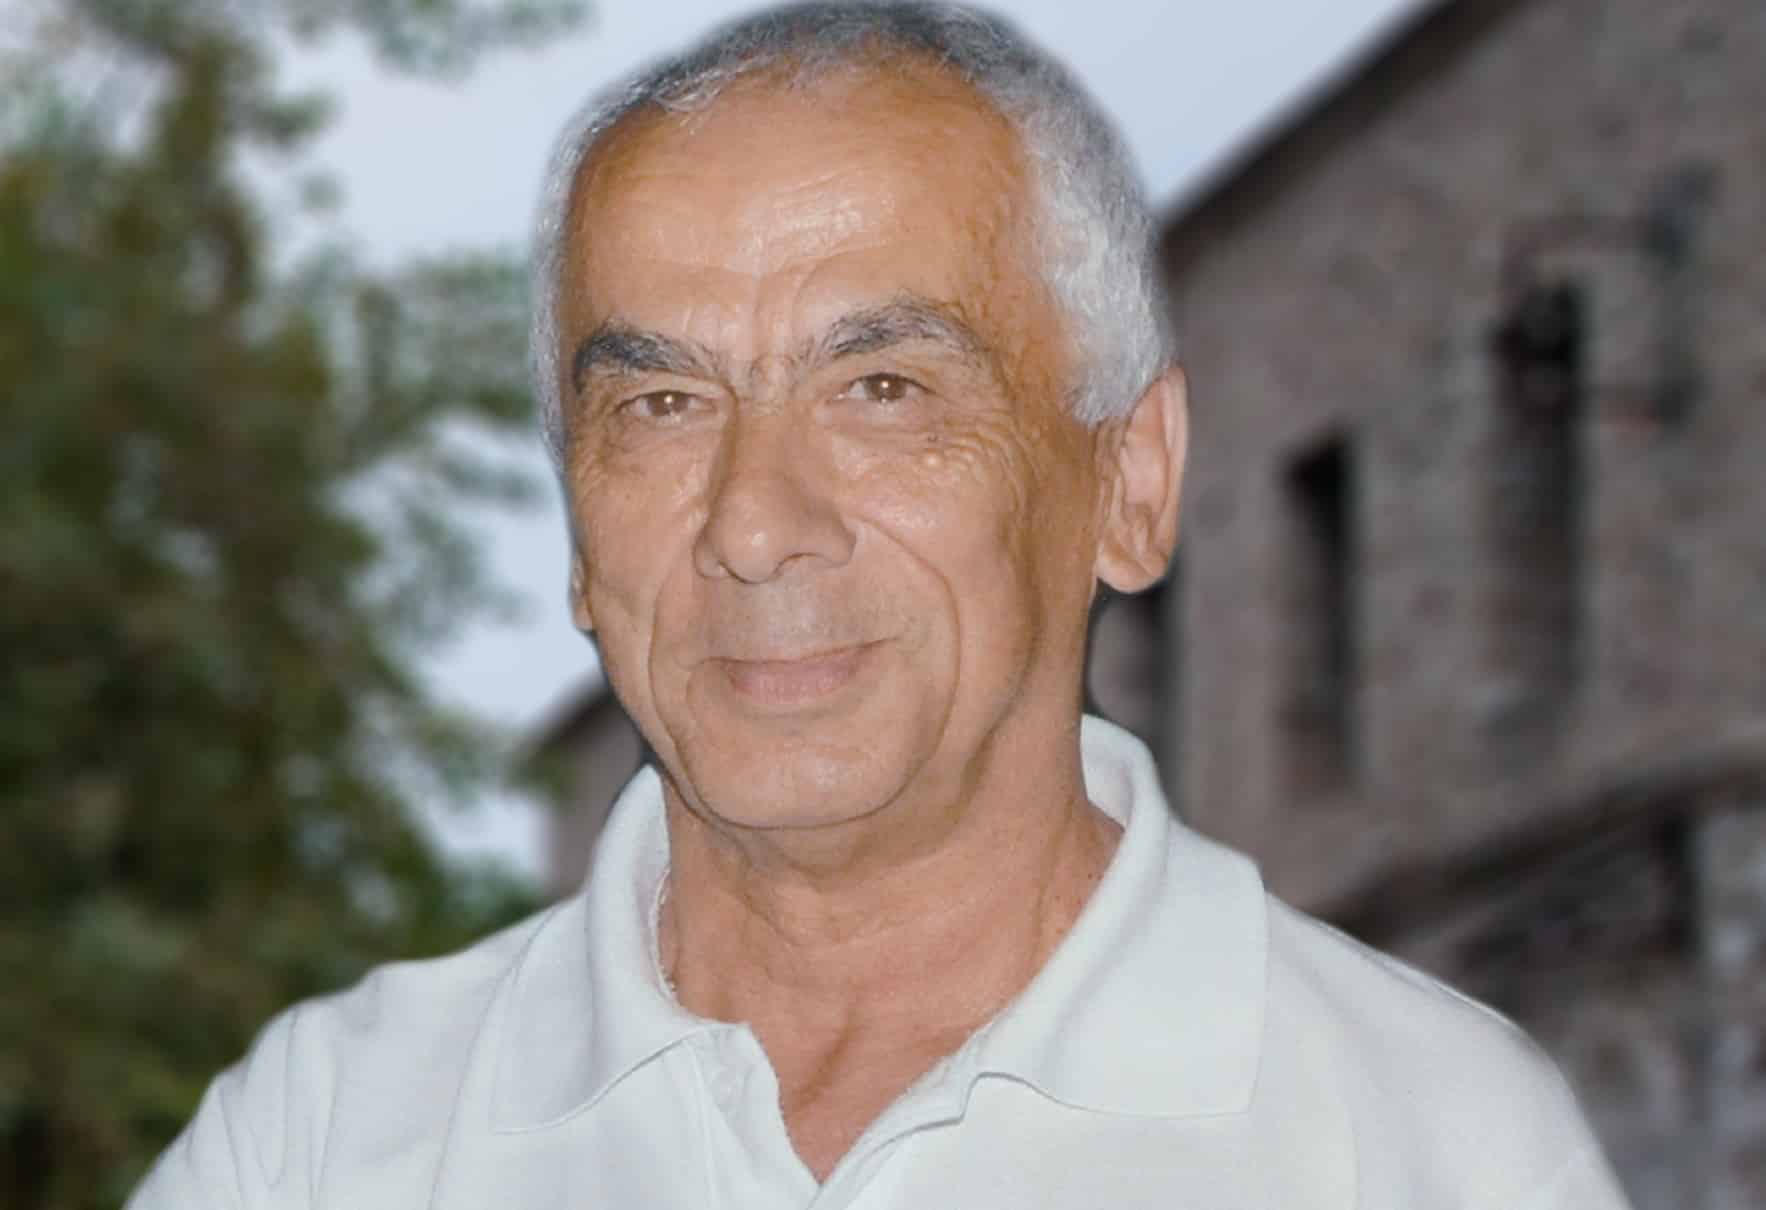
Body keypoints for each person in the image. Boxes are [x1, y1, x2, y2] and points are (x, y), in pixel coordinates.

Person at [131, 3, 1634, 1206]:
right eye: (659, 404)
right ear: (581, 543)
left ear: (1129, 480)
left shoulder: (1429, 1147)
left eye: (884, 389)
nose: (753, 524)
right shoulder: (327, 1139)